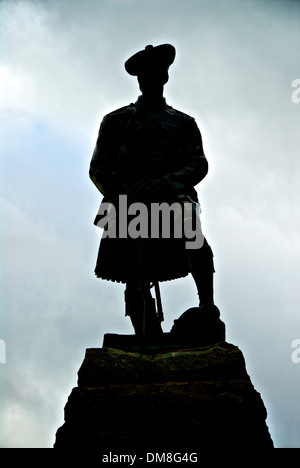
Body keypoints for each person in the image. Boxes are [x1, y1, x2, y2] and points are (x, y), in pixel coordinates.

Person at [90, 44, 218, 338]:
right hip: (128, 200)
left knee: (192, 234)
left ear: (165, 77)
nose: (150, 78)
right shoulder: (116, 120)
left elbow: (197, 164)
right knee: (131, 271)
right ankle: (145, 330)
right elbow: (98, 167)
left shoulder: (183, 123)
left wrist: (164, 184)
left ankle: (207, 306)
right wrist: (126, 192)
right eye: (145, 73)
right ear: (138, 79)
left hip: (172, 197)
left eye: (156, 72)